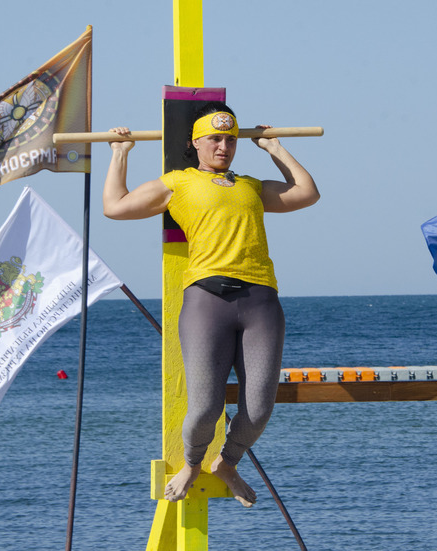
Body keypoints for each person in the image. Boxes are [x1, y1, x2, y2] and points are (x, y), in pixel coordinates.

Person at [103, 102, 319, 507]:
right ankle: (192, 463)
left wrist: (275, 149)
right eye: (215, 139)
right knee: (205, 408)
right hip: (207, 299)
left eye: (231, 140)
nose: (224, 147)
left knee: (258, 410)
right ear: (195, 142)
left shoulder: (250, 186)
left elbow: (307, 193)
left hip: (260, 300)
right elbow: (114, 207)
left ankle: (227, 463)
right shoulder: (177, 183)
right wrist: (120, 155)